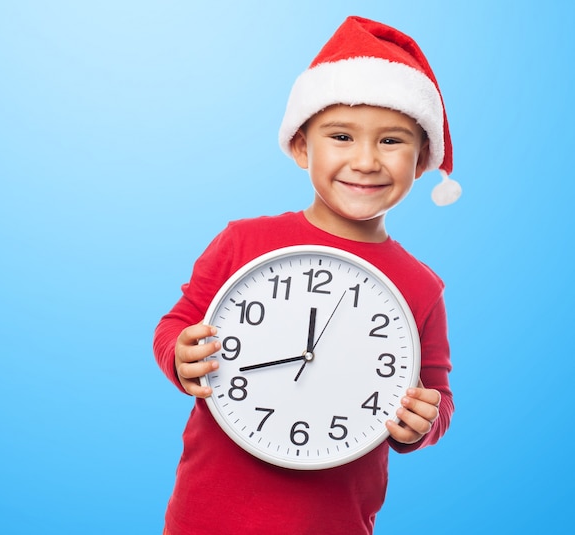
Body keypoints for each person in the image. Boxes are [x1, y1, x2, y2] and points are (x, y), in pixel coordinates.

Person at [154, 16, 460, 535]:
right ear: (301, 147)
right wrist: (179, 356)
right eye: (341, 136)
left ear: (422, 158)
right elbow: (176, 324)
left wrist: (421, 425)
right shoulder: (241, 241)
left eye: (391, 141)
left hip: (331, 522)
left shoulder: (421, 286)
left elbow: (437, 394)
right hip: (208, 516)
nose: (365, 160)